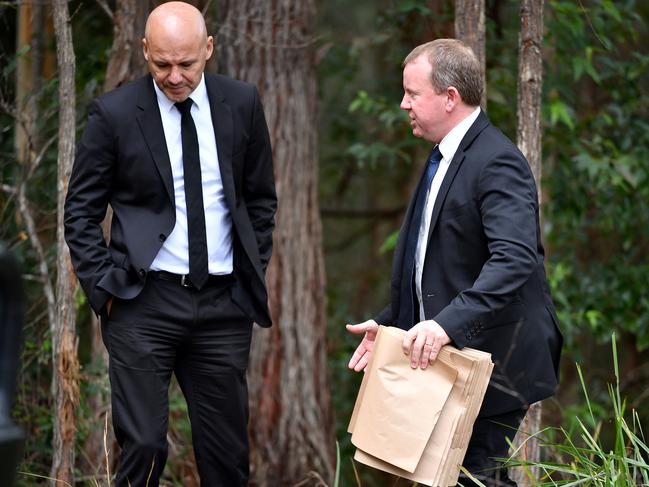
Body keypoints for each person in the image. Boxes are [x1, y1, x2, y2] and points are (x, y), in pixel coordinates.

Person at [64, 2, 276, 485]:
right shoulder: (114, 114)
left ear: (208, 49)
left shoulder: (241, 102)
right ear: (144, 51)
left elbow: (261, 199)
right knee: (143, 446)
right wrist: (104, 289)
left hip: (224, 305)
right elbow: (80, 211)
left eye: (187, 63)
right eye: (161, 64)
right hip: (143, 304)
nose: (175, 76)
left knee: (226, 456)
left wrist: (249, 270)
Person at [347, 39, 562, 486]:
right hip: (456, 356)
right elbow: (438, 263)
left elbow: (514, 258)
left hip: (500, 356)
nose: (403, 103)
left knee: (475, 478)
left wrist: (444, 325)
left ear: (449, 97)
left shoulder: (497, 160)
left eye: (413, 93)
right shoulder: (443, 155)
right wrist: (394, 323)